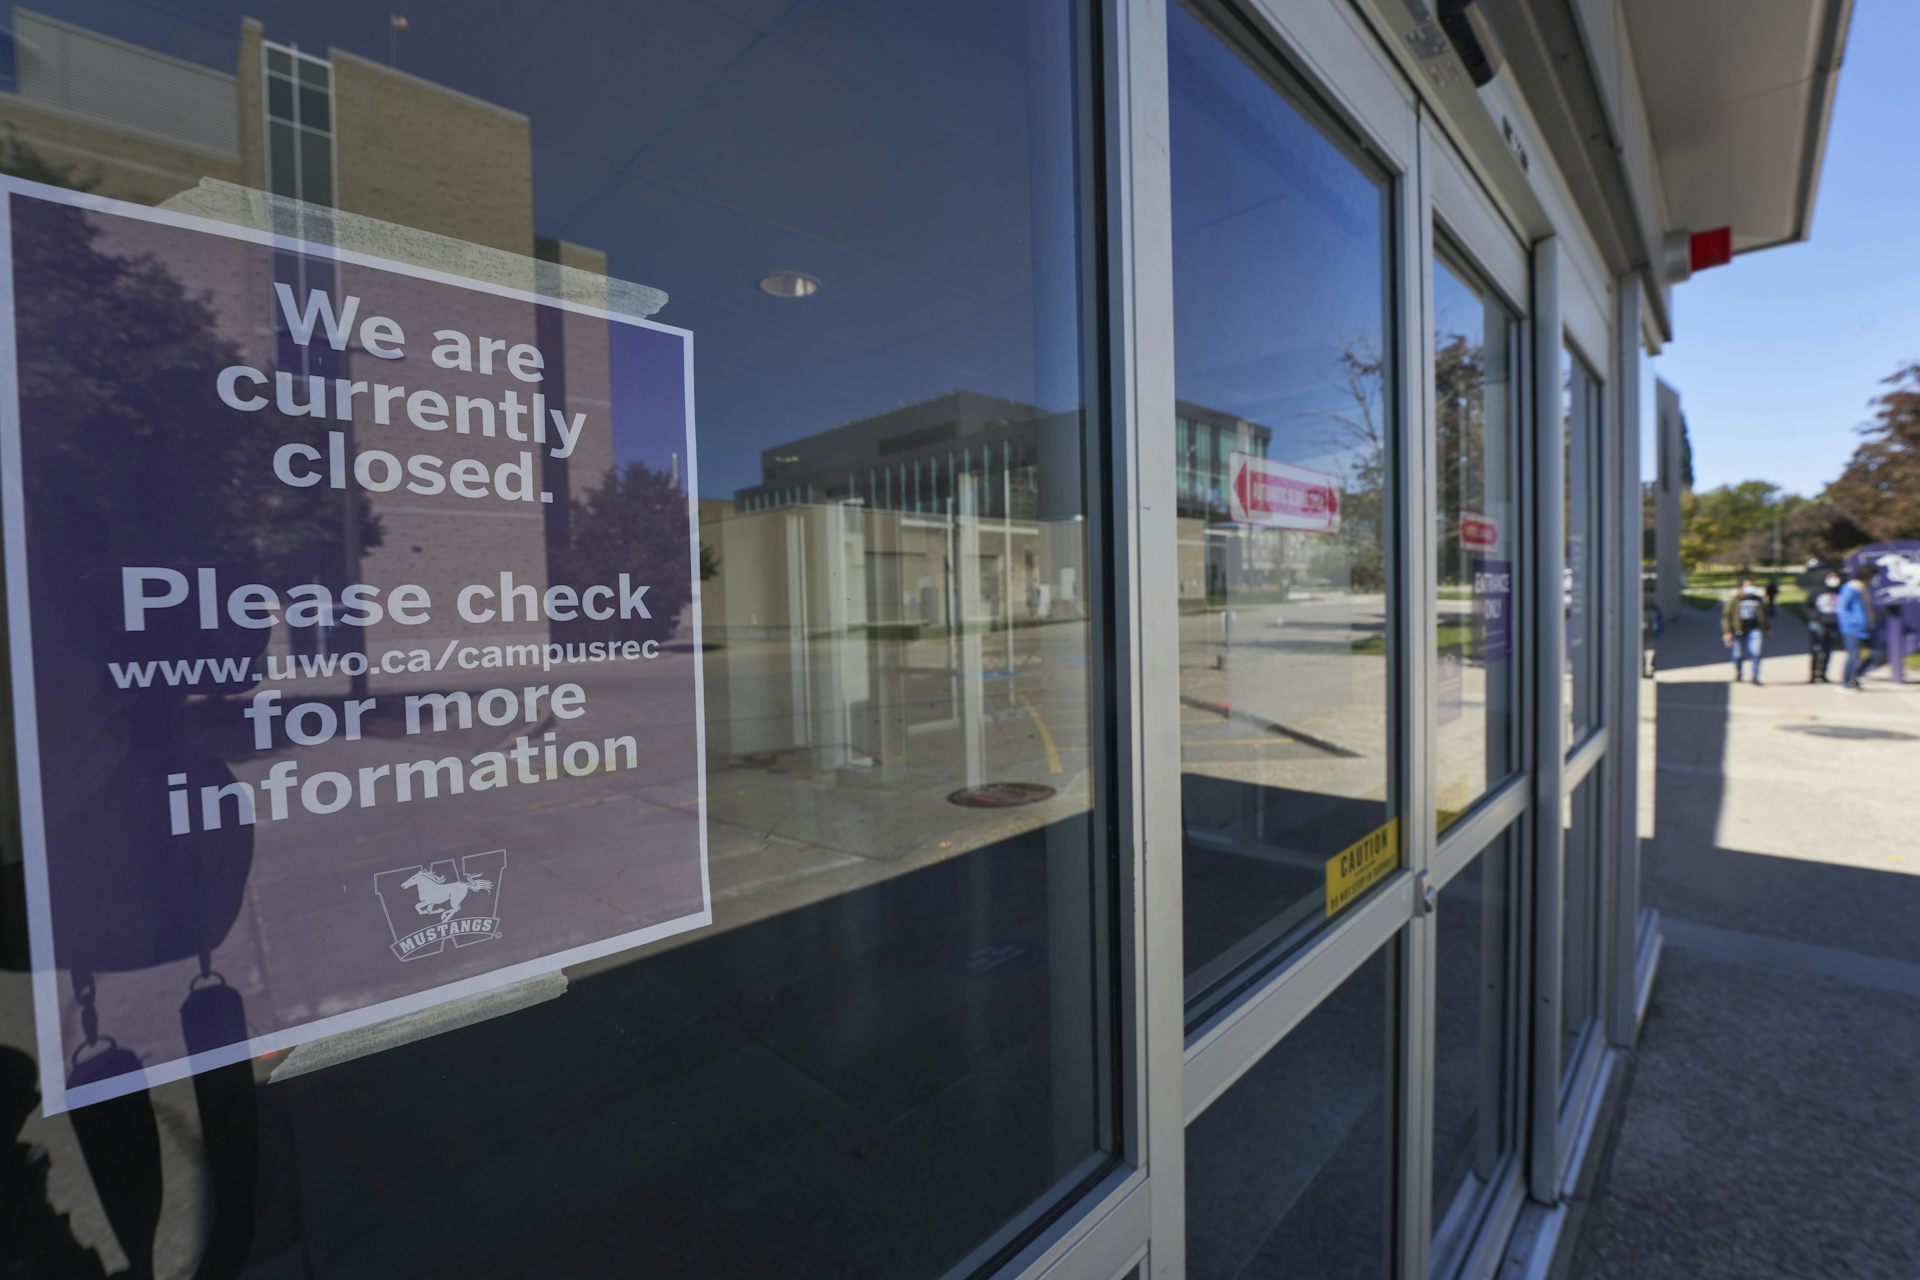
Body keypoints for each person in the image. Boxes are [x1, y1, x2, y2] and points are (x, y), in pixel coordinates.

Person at [1721, 576, 1770, 684]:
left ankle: (1755, 677)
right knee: (1737, 655)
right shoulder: (1734, 600)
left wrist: (1767, 629)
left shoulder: (1758, 599)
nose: (1750, 587)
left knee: (1756, 652)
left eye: (1752, 585)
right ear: (1741, 587)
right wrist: (1727, 631)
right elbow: (1726, 616)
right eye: (1747, 585)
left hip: (1755, 629)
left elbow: (1764, 616)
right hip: (1738, 630)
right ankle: (1739, 674)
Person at [1837, 562, 1878, 691]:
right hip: (1853, 629)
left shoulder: (1864, 588)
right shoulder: (1851, 588)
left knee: (1876, 653)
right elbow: (1842, 609)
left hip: (1868, 627)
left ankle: (1855, 676)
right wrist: (1854, 622)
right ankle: (1846, 682)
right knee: (1854, 656)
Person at [1808, 570, 1843, 682]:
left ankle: (1823, 673)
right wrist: (1816, 616)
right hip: (1818, 623)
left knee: (1828, 650)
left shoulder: (1840, 591)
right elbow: (1808, 606)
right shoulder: (1817, 591)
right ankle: (1813, 674)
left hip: (1833, 624)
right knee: (1817, 648)